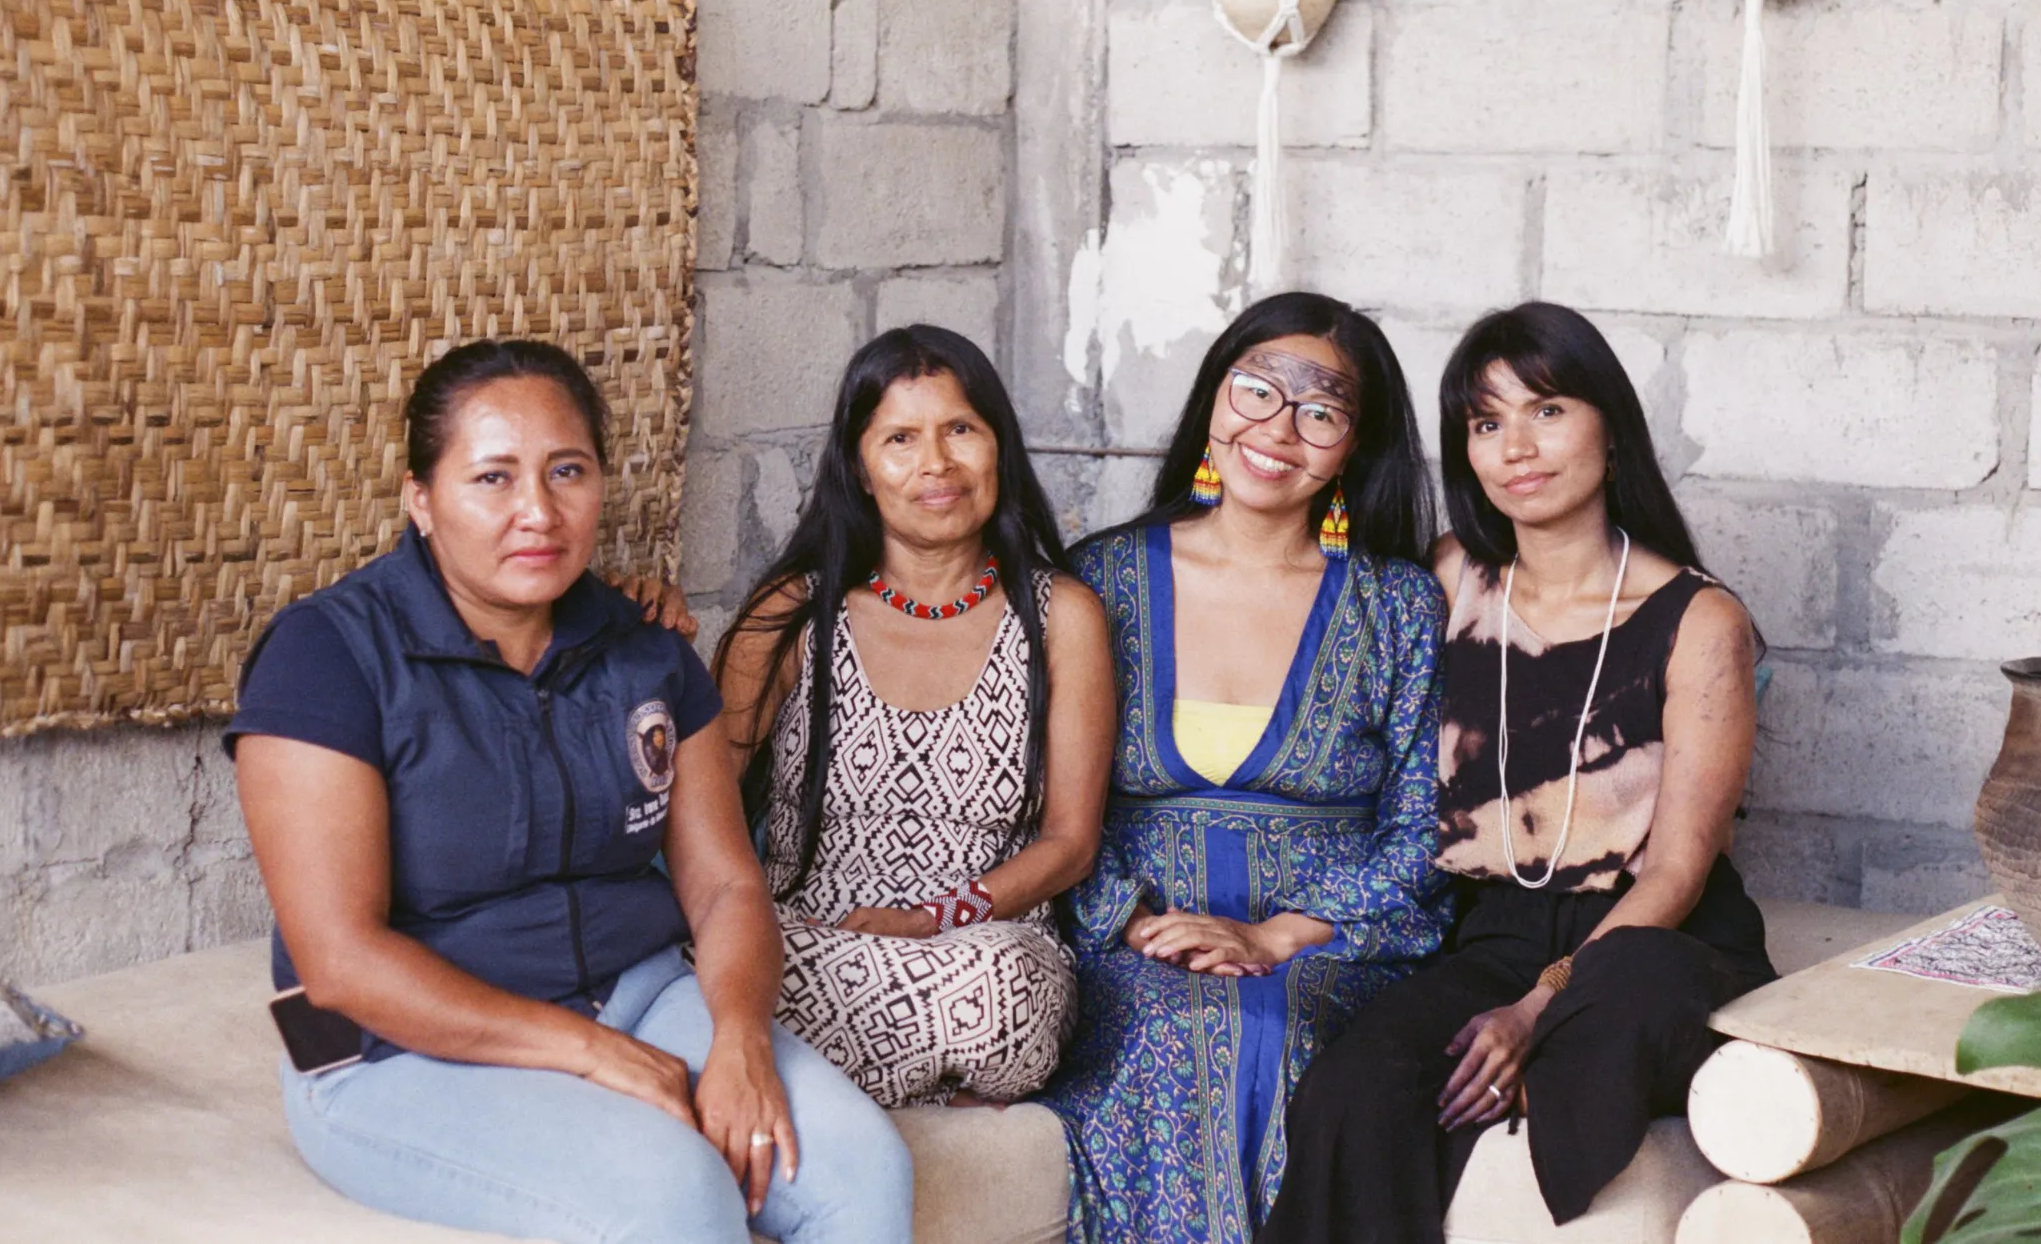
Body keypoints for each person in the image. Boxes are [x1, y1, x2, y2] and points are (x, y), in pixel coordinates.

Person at [227, 339, 911, 1244]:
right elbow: (341, 959)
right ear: (420, 499)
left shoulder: (644, 646)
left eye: (566, 471)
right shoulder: (328, 656)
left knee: (865, 1171)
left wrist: (739, 1038)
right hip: (393, 1049)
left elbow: (724, 884)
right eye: (493, 479)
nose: (538, 513)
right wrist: (595, 1055)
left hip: (635, 989)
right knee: (676, 1194)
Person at [1261, 301, 1772, 1243]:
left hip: (1651, 937)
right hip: (1492, 929)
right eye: (1487, 423)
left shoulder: (1700, 620)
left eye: (1546, 410)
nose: (1517, 447)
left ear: (1610, 431)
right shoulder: (1454, 576)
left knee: (1610, 1016)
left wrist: (1537, 1006)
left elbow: (1678, 870)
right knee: (1357, 1079)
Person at [1037, 292, 1450, 1244]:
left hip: (1326, 951)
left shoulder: (1397, 606)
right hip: (1134, 946)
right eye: (1256, 391)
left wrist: (1279, 937)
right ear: (1213, 401)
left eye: (1320, 411)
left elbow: (1425, 824)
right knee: (1185, 1032)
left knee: (1278, 1032)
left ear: (1355, 444)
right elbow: (1040, 795)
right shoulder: (1099, 582)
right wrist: (1134, 922)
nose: (1277, 429)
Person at [715, 325, 1116, 1108]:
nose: (936, 464)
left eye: (960, 429)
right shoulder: (794, 614)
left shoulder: (1061, 616)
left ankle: (820, 1093)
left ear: (998, 445)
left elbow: (1071, 844)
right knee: (725, 970)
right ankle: (913, 1092)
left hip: (981, 944)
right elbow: (705, 807)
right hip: (812, 938)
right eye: (900, 438)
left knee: (1004, 991)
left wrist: (935, 917)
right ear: (860, 469)